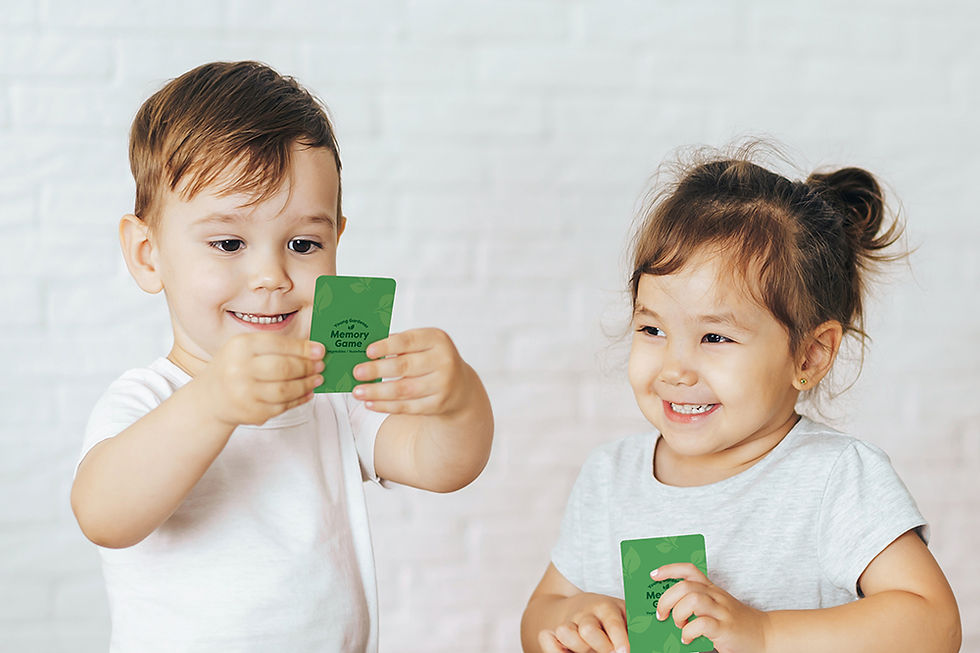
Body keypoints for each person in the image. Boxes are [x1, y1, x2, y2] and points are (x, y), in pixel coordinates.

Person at [70, 61, 493, 653]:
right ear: (147, 254)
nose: (271, 276)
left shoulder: (334, 397)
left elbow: (446, 466)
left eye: (302, 243)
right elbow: (104, 515)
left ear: (336, 241)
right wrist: (213, 403)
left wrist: (457, 398)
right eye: (229, 243)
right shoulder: (149, 399)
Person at [521, 145, 961, 653]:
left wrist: (765, 633)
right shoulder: (609, 476)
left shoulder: (833, 478)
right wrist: (572, 617)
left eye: (715, 337)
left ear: (810, 356)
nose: (674, 369)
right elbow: (540, 613)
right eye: (652, 329)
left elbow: (935, 623)